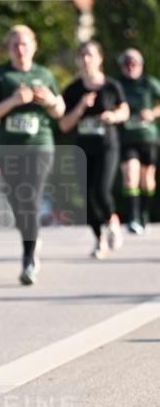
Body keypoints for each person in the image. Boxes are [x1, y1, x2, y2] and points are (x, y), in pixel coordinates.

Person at [0, 24, 65, 285]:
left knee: (31, 196)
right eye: (14, 45)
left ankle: (28, 260)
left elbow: (59, 111)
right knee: (18, 202)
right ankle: (31, 238)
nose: (19, 50)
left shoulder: (44, 74)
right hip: (8, 148)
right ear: (8, 49)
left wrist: (50, 100)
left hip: (40, 145)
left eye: (24, 44)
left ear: (34, 47)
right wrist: (13, 101)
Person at [59, 41, 129, 258]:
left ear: (100, 59)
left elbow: (125, 110)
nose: (86, 59)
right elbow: (64, 125)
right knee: (86, 198)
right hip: (82, 149)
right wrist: (80, 107)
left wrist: (114, 116)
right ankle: (98, 239)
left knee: (100, 189)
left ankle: (112, 220)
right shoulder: (73, 90)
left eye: (90, 55)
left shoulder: (111, 86)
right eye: (82, 55)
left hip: (107, 146)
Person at [117, 48, 160, 234]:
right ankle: (133, 218)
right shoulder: (118, 85)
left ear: (140, 65)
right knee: (129, 174)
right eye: (126, 64)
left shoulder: (149, 83)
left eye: (133, 63)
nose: (130, 67)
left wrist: (152, 113)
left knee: (147, 180)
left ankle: (143, 213)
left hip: (147, 137)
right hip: (126, 138)